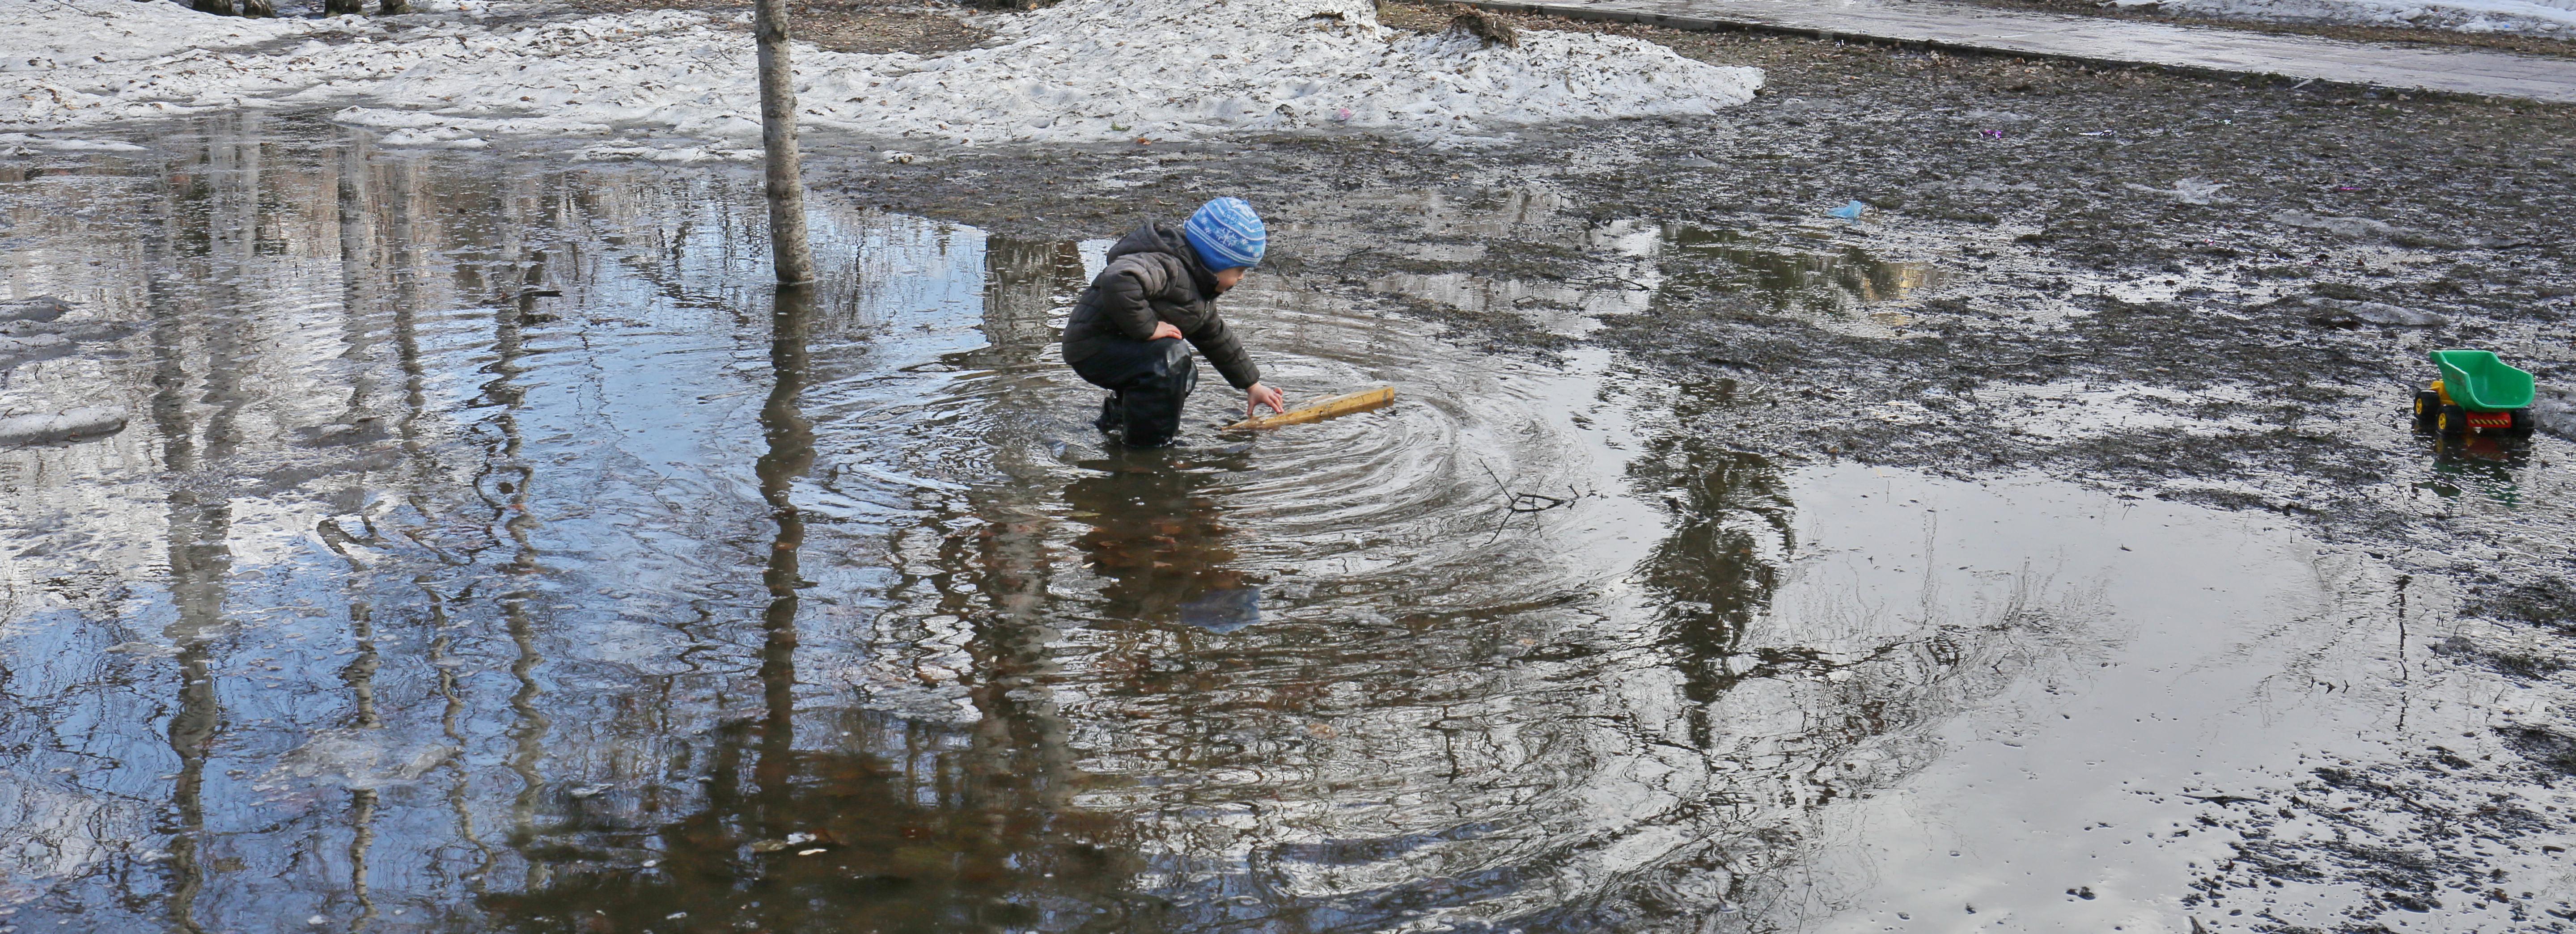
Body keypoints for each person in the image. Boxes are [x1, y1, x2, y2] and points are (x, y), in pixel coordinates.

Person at [1059, 197, 1287, 448]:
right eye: (1240, 270)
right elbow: (1120, 278)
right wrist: (1149, 328)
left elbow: (1217, 338)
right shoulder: (1168, 267)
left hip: (1121, 348)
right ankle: (1147, 453)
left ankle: (1117, 423)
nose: (1241, 278)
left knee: (1183, 372)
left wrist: (1252, 385)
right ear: (1217, 260)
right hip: (1094, 346)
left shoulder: (1197, 288)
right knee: (1170, 361)